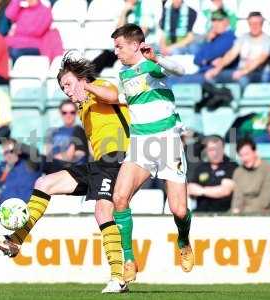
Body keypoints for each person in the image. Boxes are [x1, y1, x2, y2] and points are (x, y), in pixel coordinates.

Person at [0, 55, 131, 293]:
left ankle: (118, 277)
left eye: (69, 84)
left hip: (119, 159)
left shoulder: (101, 86)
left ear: (82, 79)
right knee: (44, 183)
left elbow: (115, 97)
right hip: (99, 164)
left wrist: (87, 86)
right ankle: (15, 241)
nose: (67, 91)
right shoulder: (84, 108)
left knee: (102, 211)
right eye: (63, 88)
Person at [82, 24, 193, 275]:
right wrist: (87, 86)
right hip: (141, 143)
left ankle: (184, 240)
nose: (116, 52)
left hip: (167, 142)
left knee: (179, 210)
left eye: (119, 46)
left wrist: (158, 58)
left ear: (134, 45)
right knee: (119, 198)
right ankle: (129, 261)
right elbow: (117, 97)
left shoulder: (151, 65)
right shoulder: (123, 72)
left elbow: (181, 70)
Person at [92, 0, 162, 74]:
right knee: (102, 59)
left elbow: (143, 32)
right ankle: (85, 79)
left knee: (120, 64)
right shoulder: (128, 7)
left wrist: (125, 43)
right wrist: (124, 12)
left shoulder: (147, 4)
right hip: (126, 45)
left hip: (143, 46)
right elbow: (117, 33)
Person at [204, 11, 270, 88]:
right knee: (210, 76)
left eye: (257, 23)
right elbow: (231, 54)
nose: (254, 26)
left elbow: (260, 59)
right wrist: (217, 68)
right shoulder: (243, 37)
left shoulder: (268, 40)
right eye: (251, 23)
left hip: (257, 73)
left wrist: (243, 72)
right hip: (239, 71)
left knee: (242, 80)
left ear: (262, 24)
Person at [168, 9, 235, 84]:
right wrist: (208, 41)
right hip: (203, 73)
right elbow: (196, 59)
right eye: (214, 21)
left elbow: (209, 55)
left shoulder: (229, 37)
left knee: (172, 81)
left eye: (219, 21)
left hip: (214, 75)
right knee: (171, 78)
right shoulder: (213, 38)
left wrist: (206, 59)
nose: (215, 24)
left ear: (226, 22)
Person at [188, 135, 237, 212]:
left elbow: (225, 191)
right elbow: (190, 188)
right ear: (206, 150)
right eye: (211, 149)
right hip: (201, 214)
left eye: (218, 149)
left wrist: (201, 191)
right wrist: (213, 191)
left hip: (224, 214)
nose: (215, 153)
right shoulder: (201, 168)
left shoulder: (231, 166)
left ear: (223, 149)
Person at [231, 138, 270, 214]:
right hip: (242, 213)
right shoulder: (238, 172)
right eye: (241, 155)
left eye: (247, 154)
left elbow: (264, 201)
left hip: (267, 213)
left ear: (255, 152)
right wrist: (235, 210)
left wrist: (242, 210)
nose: (244, 158)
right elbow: (237, 198)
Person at [0, 138, 42, 209]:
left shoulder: (29, 164)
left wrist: (16, 146)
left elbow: (34, 152)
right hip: (6, 209)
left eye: (11, 151)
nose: (9, 155)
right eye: (6, 152)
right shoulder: (2, 167)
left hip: (27, 208)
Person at [45, 99, 88, 165]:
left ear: (76, 113)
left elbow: (70, 156)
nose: (68, 115)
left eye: (72, 112)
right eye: (64, 112)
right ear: (60, 113)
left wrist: (50, 159)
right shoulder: (53, 132)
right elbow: (47, 154)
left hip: (72, 172)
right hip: (55, 170)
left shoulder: (79, 131)